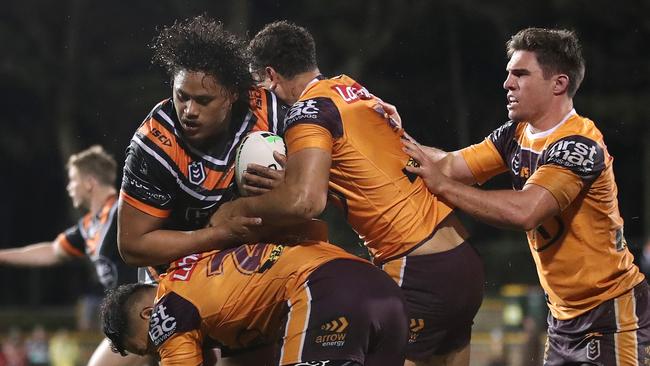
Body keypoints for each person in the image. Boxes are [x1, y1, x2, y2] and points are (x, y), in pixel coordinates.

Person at [215, 21, 485, 366]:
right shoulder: (352, 89)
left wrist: (235, 211)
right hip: (462, 258)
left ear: (270, 76)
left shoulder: (306, 110)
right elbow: (359, 171)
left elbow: (306, 202)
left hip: (418, 268)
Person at [401, 28, 650, 365]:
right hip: (562, 320)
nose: (507, 84)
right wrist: (389, 133)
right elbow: (447, 164)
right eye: (508, 74)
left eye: (520, 74)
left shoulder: (579, 144)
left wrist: (442, 187)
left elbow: (526, 211)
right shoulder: (515, 134)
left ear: (558, 84)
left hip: (611, 317)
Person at [117, 15, 286, 275]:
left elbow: (320, 178)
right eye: (182, 97)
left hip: (255, 259)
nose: (189, 111)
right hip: (177, 272)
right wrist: (218, 235)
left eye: (203, 101)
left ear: (232, 95)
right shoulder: (155, 145)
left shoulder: (267, 109)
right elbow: (132, 246)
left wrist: (290, 180)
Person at [101, 224, 408, 366]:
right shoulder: (199, 262)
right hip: (379, 288)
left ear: (146, 315)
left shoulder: (166, 311)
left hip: (323, 292)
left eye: (148, 349)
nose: (158, 354)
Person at [0, 145, 145, 366]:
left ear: (89, 182)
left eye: (73, 180)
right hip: (129, 317)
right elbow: (51, 251)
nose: (69, 187)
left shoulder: (123, 211)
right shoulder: (89, 226)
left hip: (143, 313)